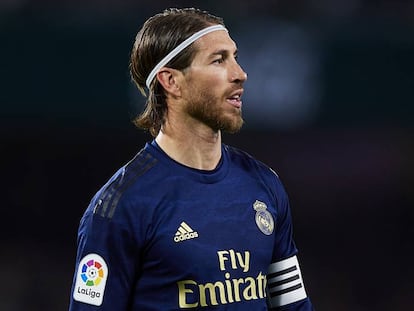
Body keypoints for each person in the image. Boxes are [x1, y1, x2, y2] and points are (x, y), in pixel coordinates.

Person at [68, 7, 315, 311]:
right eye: (218, 60)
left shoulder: (264, 184)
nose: (240, 74)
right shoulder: (120, 207)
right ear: (171, 81)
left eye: (235, 57)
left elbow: (292, 305)